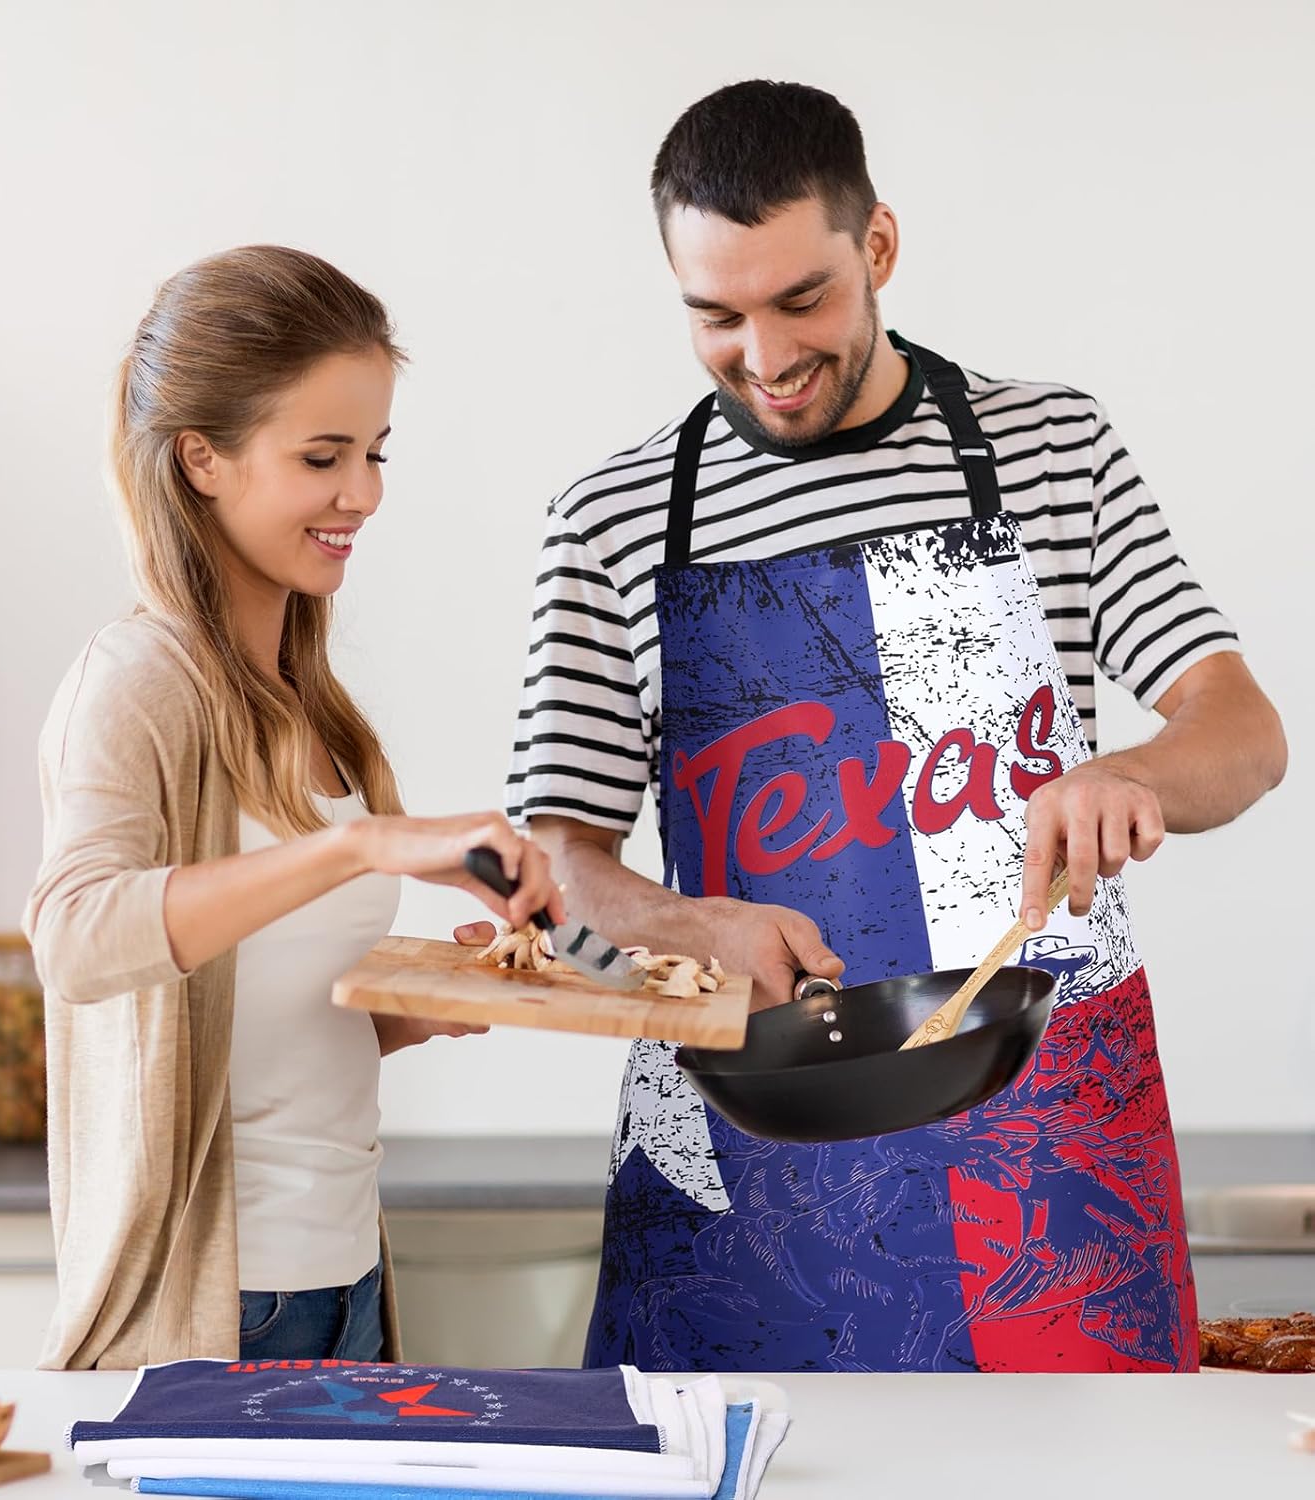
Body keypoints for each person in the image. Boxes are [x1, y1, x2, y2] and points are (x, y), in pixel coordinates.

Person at [506, 81, 1286, 1373]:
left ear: (877, 248)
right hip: (751, 1168)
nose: (764, 354)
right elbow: (558, 874)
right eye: (716, 316)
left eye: (800, 299)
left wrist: (1134, 773)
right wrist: (694, 929)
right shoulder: (614, 516)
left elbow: (1243, 732)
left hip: (1046, 1171)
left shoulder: (1052, 448)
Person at [24, 245, 562, 1371]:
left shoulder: (312, 706)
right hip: (223, 1310)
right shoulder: (136, 681)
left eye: (371, 453)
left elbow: (274, 1026)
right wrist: (362, 845)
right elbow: (75, 940)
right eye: (323, 456)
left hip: (344, 1282)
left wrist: (425, 1004)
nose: (361, 493)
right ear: (202, 460)